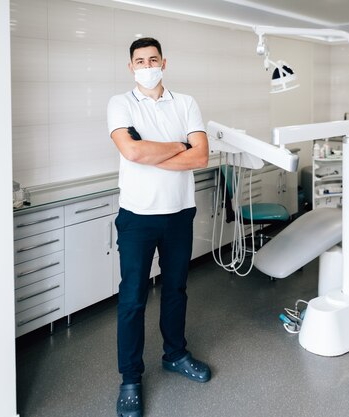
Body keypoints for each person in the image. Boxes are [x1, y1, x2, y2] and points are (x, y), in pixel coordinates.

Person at [106, 37, 211, 417]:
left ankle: (176, 354)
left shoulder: (186, 103)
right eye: (140, 60)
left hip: (179, 213)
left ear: (164, 62)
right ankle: (130, 378)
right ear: (131, 67)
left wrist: (154, 150)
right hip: (136, 216)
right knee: (133, 298)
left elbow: (200, 155)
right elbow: (131, 152)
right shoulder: (120, 104)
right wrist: (177, 145)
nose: (147, 65)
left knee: (176, 289)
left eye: (153, 59)